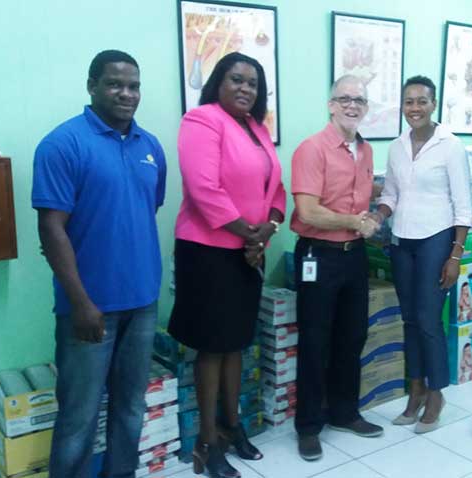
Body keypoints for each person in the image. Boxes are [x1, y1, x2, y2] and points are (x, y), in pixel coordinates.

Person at [32, 50, 167, 477]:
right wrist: (80, 302)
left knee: (130, 407)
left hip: (142, 303)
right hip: (89, 308)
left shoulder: (151, 147)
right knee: (79, 418)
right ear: (92, 86)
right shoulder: (63, 144)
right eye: (114, 84)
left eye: (133, 86)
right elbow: (51, 229)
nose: (126, 94)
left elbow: (145, 210)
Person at [167, 52, 286, 478]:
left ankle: (233, 426)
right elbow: (203, 188)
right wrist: (248, 235)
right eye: (236, 79)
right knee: (212, 344)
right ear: (218, 82)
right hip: (208, 251)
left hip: (248, 251)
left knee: (236, 341)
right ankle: (206, 441)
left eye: (253, 83)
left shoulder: (257, 128)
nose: (245, 89)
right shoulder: (202, 120)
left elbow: (276, 190)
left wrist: (267, 230)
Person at [290, 75, 383, 461]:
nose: (352, 105)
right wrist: (355, 223)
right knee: (314, 341)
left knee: (352, 335)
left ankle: (344, 412)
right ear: (330, 104)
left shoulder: (365, 151)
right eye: (345, 98)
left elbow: (362, 204)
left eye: (359, 100)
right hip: (318, 256)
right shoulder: (311, 149)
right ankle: (309, 425)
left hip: (354, 255)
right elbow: (308, 211)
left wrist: (372, 218)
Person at [373, 76, 472, 434]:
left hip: (437, 239)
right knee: (411, 319)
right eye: (409, 102)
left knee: (429, 319)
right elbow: (392, 194)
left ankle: (436, 393)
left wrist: (455, 256)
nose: (414, 108)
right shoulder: (397, 146)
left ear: (434, 105)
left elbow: (463, 205)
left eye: (421, 101)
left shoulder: (450, 146)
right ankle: (414, 391)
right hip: (403, 240)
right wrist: (379, 215)